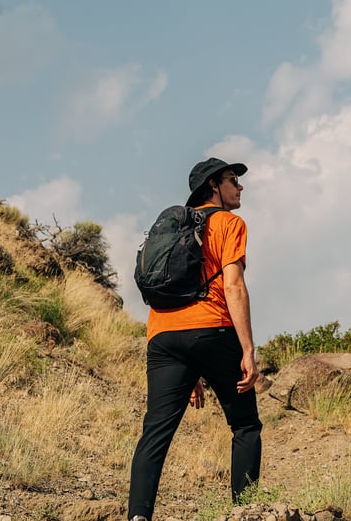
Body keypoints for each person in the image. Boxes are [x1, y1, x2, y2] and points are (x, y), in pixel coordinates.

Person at [128, 157, 263, 521]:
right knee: (246, 425)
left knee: (155, 432)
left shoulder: (173, 230)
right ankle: (245, 513)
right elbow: (233, 286)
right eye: (233, 180)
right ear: (213, 187)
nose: (240, 186)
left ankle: (138, 517)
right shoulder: (229, 223)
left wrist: (189, 371)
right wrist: (248, 350)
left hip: (162, 336)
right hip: (213, 328)